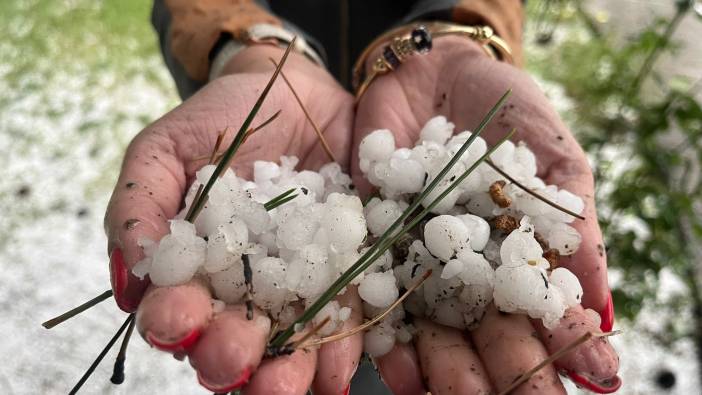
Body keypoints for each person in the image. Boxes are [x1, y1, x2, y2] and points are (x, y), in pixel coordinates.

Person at [104, 1, 620, 393]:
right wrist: (248, 47)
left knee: (394, 359)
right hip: (298, 142)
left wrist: (456, 29)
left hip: (389, 301)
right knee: (321, 355)